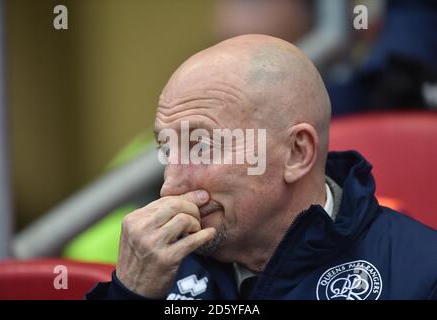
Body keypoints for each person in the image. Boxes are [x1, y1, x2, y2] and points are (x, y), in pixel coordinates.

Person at [86, 35, 437, 300]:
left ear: (297, 153)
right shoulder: (156, 270)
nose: (170, 185)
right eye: (166, 149)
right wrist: (127, 294)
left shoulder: (421, 275)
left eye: (202, 146)